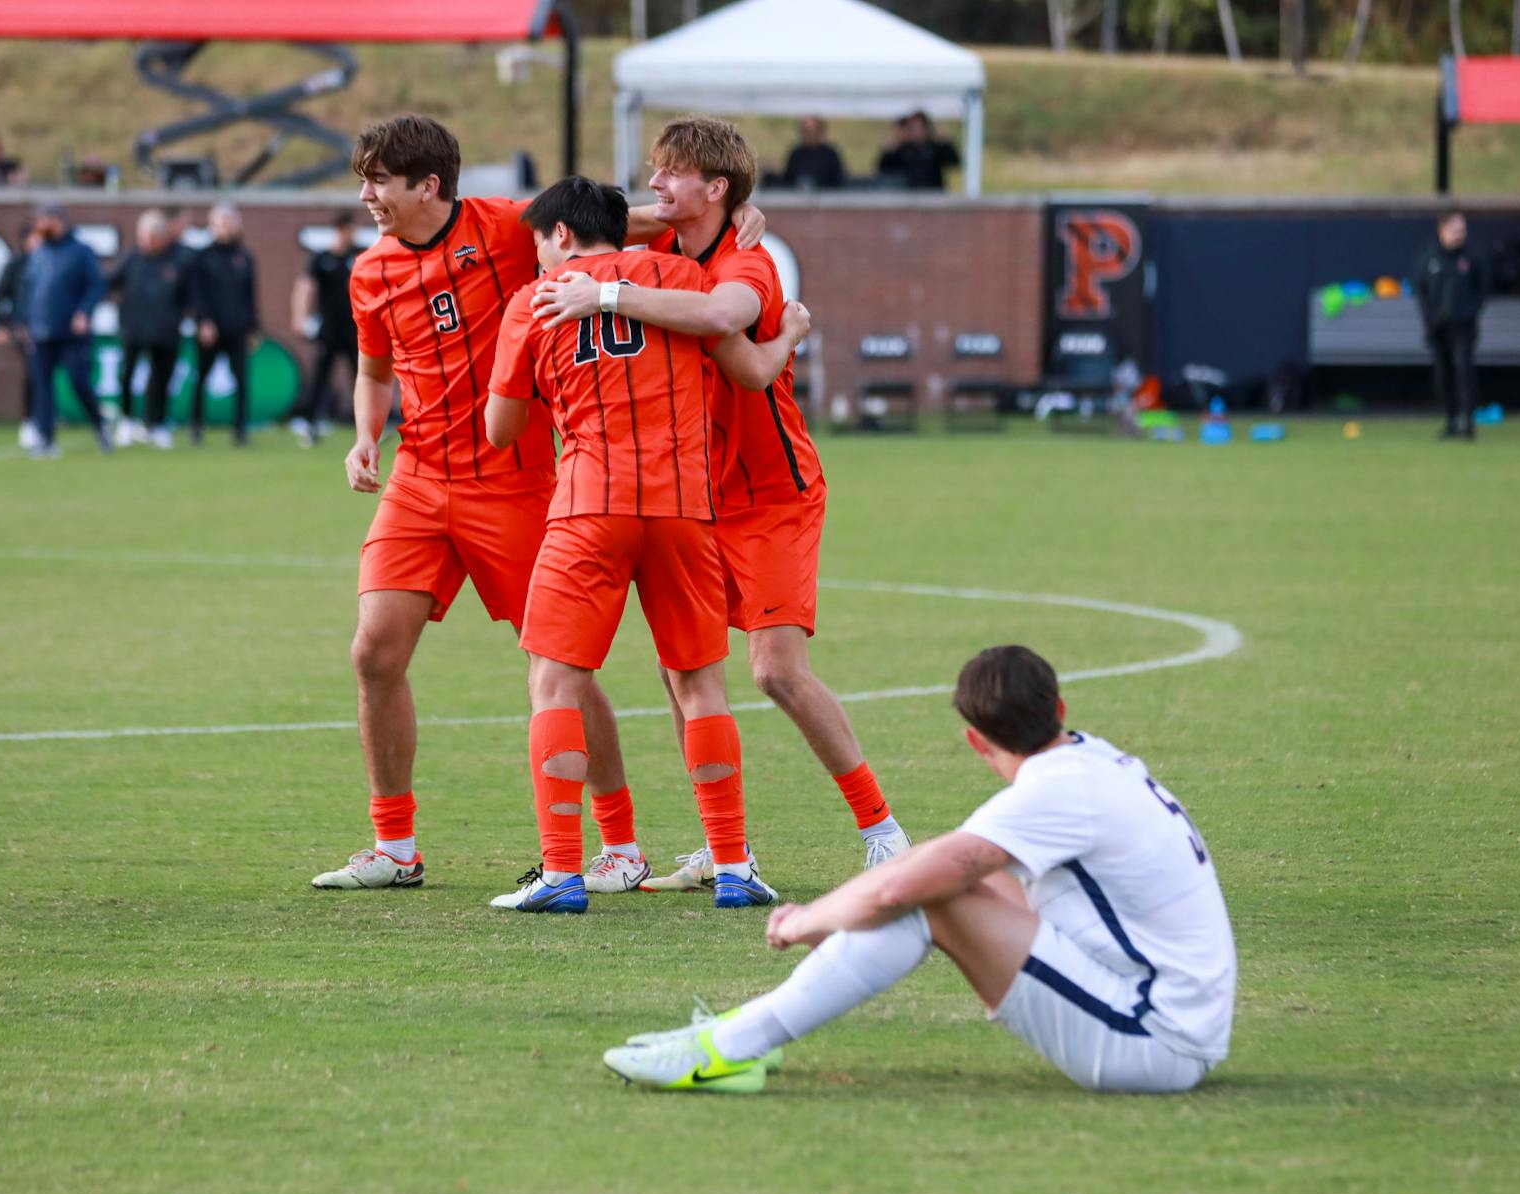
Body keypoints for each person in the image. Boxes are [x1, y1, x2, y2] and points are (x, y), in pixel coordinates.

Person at [313, 114, 767, 895]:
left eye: (378, 181)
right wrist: (365, 436)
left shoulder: (502, 226)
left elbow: (608, 225)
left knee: (563, 667)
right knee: (372, 652)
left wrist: (721, 221)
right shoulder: (368, 272)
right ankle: (394, 845)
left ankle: (618, 843)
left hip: (519, 484)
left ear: (429, 185)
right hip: (419, 480)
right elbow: (374, 369)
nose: (366, 197)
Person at [534, 116, 909, 888]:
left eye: (671, 172)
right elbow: (586, 224)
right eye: (655, 171)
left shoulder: (749, 261)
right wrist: (651, 229)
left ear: (717, 187)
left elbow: (723, 325)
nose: (656, 184)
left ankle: (883, 829)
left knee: (775, 671)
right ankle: (720, 846)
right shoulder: (661, 253)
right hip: (694, 495)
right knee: (686, 669)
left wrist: (604, 292)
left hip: (772, 494)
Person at [604, 645, 1237, 1095]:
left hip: (1154, 1041)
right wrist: (853, 910)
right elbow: (948, 867)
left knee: (928, 896)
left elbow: (909, 885)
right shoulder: (1094, 760)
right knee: (940, 880)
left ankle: (727, 1048)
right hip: (1165, 1014)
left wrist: (805, 921)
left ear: (973, 740)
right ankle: (736, 1039)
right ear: (1059, 707)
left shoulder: (1055, 792)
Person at [483, 176, 808, 915]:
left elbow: (501, 431)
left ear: (560, 235)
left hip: (588, 506)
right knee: (700, 687)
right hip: (685, 507)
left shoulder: (535, 301)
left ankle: (563, 872)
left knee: (555, 683)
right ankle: (732, 864)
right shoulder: (686, 278)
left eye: (540, 240)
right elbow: (744, 360)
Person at [20, 201, 109, 458]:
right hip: (41, 331)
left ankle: (99, 423)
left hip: (72, 332)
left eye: (43, 220)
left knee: (79, 381)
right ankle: (45, 438)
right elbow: (29, 290)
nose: (38, 226)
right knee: (42, 386)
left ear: (57, 220)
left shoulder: (81, 251)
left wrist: (84, 312)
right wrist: (23, 322)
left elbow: (96, 286)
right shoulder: (39, 253)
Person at [106, 209, 190, 450]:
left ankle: (156, 424)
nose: (148, 241)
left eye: (153, 235)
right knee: (127, 375)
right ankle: (126, 420)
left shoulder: (177, 259)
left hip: (165, 329)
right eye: (144, 235)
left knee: (161, 379)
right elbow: (109, 281)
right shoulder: (131, 258)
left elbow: (189, 295)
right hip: (133, 328)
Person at [187, 201, 260, 446]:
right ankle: (196, 427)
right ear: (212, 225)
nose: (225, 227)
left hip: (237, 329)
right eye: (220, 223)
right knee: (201, 378)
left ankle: (240, 430)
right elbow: (197, 294)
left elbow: (250, 295)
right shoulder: (202, 257)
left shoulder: (244, 257)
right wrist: (204, 322)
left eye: (229, 222)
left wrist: (253, 327)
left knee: (242, 380)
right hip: (211, 330)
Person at [286, 210, 360, 447]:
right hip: (329, 328)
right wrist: (300, 315)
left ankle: (369, 422)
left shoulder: (360, 255)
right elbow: (305, 287)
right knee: (321, 375)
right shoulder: (322, 258)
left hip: (355, 328)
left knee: (361, 376)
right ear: (340, 230)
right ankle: (309, 421)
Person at [1413, 210, 1485, 441]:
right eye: (1455, 229)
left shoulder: (1471, 258)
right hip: (1437, 328)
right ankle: (1451, 419)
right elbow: (1422, 291)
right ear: (1442, 230)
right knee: (1443, 374)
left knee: (1464, 371)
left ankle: (1467, 421)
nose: (1459, 234)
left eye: (1462, 230)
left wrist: (1468, 312)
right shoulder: (1429, 258)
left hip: (1463, 327)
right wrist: (1431, 317)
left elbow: (1481, 290)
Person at [0, 223, 41, 449]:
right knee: (33, 374)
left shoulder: (53, 261)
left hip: (53, 329)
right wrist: (4, 324)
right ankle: (29, 422)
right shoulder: (17, 264)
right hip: (26, 329)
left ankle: (45, 418)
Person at [875, 111, 959, 191]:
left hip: (933, 195)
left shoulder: (935, 147)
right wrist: (888, 151)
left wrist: (945, 144)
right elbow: (883, 170)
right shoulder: (902, 149)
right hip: (908, 195)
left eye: (919, 127)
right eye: (912, 127)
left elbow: (954, 162)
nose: (916, 131)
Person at [781, 116, 844, 190]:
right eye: (806, 131)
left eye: (813, 131)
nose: (810, 135)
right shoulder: (796, 154)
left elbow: (838, 181)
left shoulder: (830, 154)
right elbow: (787, 180)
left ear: (820, 131)